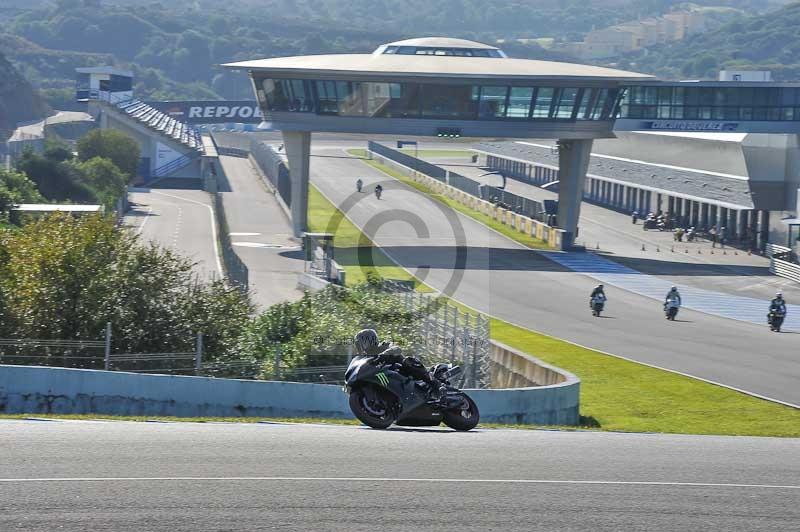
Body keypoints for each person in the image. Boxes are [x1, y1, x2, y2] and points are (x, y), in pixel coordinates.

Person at [353, 329, 441, 400]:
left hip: (401, 370)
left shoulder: (383, 345)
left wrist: (384, 355)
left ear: (370, 340)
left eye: (363, 342)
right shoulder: (365, 359)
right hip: (387, 378)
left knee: (408, 361)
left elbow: (396, 348)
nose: (361, 346)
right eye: (360, 344)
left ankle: (433, 382)